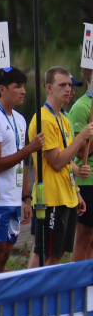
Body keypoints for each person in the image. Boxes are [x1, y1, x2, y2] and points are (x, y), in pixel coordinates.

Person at [27, 67, 93, 267]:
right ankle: (31, 296)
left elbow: (67, 160)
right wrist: (82, 136)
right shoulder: (44, 119)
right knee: (41, 255)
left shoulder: (63, 118)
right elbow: (56, 162)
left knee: (56, 256)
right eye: (62, 85)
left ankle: (48, 297)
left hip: (66, 196)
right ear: (49, 87)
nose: (68, 90)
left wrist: (76, 183)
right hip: (49, 197)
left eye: (70, 85)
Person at [0, 67, 40, 276]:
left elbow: (21, 163)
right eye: (18, 87)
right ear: (2, 89)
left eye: (24, 86)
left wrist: (26, 198)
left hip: (14, 198)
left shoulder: (20, 118)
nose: (23, 91)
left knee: (6, 253)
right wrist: (28, 150)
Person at [68, 68, 93, 261]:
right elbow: (78, 151)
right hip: (88, 181)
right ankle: (78, 286)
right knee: (85, 238)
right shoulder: (81, 107)